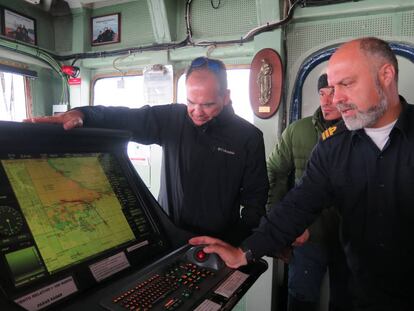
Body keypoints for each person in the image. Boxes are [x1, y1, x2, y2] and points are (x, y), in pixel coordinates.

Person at [190, 37, 414, 310]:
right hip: (357, 295)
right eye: (331, 87)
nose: (336, 97)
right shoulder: (332, 148)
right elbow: (298, 205)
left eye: (347, 83)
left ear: (386, 75)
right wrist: (243, 252)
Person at [26, 57, 269, 245]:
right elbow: (124, 117)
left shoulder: (248, 137)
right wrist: (83, 114)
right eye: (190, 102)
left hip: (219, 242)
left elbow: (255, 202)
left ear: (225, 97)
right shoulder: (173, 119)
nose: (197, 112)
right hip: (171, 237)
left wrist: (236, 246)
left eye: (207, 104)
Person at [267, 73, 351, 311]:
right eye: (322, 94)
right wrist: (284, 223)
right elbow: (274, 172)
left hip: (351, 239)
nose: (326, 101)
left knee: (346, 300)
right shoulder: (298, 131)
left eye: (332, 93)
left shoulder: (362, 132)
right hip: (307, 237)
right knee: (301, 299)